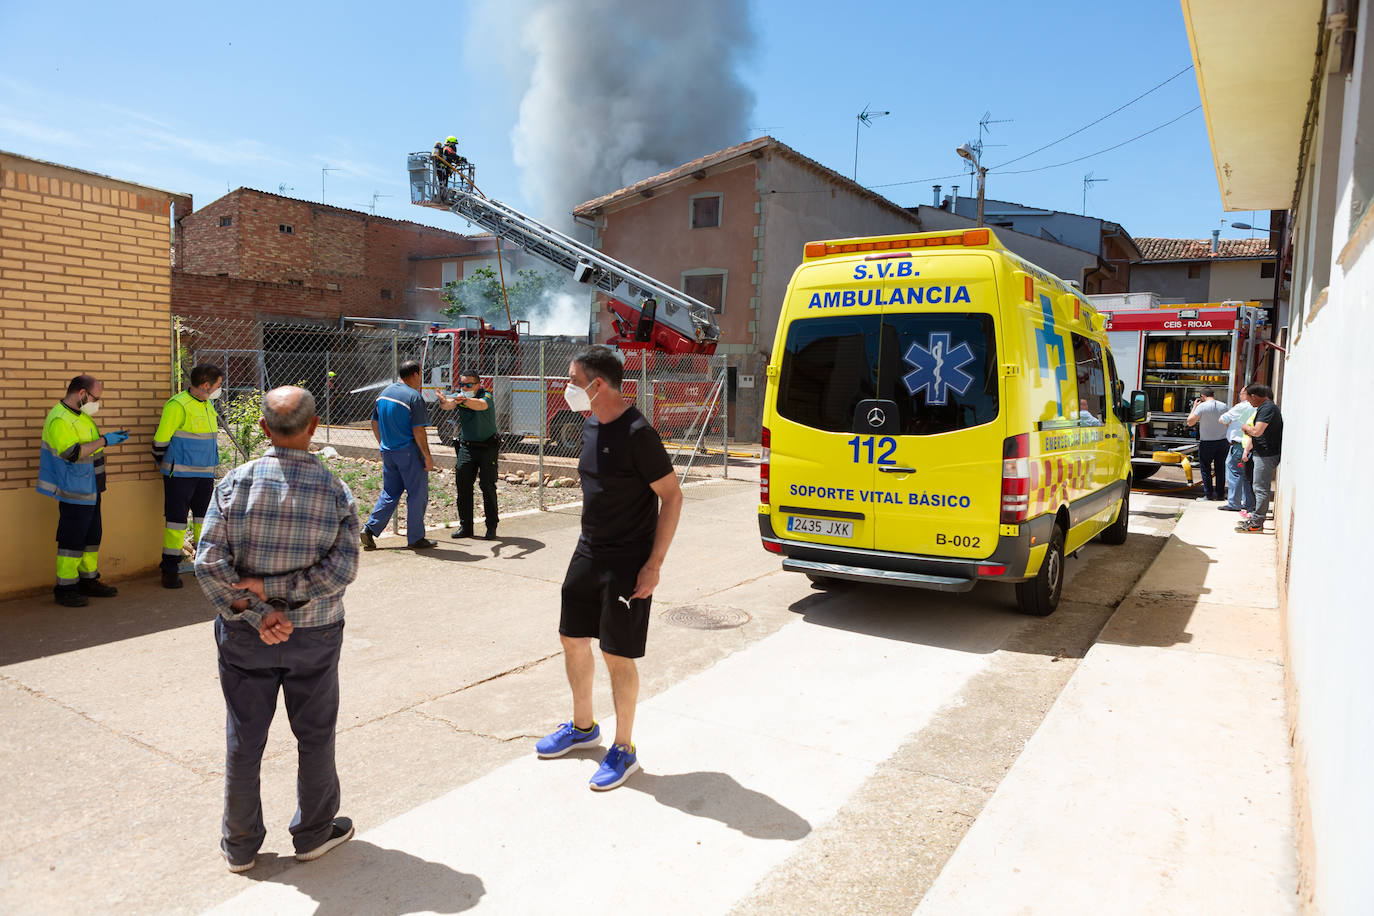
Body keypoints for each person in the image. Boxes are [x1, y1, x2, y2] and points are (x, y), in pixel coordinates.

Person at [194, 386, 362, 873]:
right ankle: (313, 833)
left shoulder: (234, 484)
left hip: (246, 637)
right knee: (315, 735)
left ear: (264, 430)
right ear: (313, 428)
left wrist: (258, 607)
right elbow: (341, 571)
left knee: (244, 738)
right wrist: (281, 595)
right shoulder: (336, 491)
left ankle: (240, 844)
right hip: (316, 634)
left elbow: (209, 564)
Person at [535, 346, 683, 791]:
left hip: (628, 559)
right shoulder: (590, 424)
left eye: (573, 378)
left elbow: (672, 497)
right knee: (572, 638)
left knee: (616, 652)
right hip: (588, 550)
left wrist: (653, 566)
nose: (568, 387)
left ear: (597, 385)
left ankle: (624, 748)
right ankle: (584, 729)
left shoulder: (639, 433)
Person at [37, 374, 130, 607]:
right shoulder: (60, 419)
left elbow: (89, 443)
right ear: (81, 394)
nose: (96, 403)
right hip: (74, 489)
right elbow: (72, 453)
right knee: (72, 540)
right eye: (94, 398)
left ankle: (88, 580)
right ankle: (65, 588)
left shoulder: (81, 416)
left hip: (90, 487)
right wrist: (105, 441)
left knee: (91, 538)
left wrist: (105, 439)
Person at [360, 361, 454, 550]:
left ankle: (369, 529)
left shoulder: (384, 393)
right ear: (415, 374)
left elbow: (374, 422)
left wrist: (383, 445)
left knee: (389, 493)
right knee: (417, 495)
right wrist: (427, 456)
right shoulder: (413, 396)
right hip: (409, 454)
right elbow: (419, 430)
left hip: (389, 453)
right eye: (420, 374)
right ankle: (416, 538)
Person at [153, 363, 224, 589]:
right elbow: (160, 442)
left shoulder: (207, 404)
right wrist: (167, 465)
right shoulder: (177, 405)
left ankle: (202, 564)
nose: (219, 390)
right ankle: (170, 569)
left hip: (204, 475)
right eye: (218, 386)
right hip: (180, 476)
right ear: (205, 385)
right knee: (176, 523)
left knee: (204, 520)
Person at [449, 370, 500, 540]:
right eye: (462, 385)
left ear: (478, 384)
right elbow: (448, 404)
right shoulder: (460, 396)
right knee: (463, 486)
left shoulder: (486, 395)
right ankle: (466, 527)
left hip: (487, 447)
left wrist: (464, 399)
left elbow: (481, 405)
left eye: (468, 385)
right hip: (467, 447)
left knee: (487, 486)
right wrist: (444, 401)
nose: (464, 388)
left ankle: (491, 526)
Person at [1238, 383, 1283, 533]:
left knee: (1260, 489)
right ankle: (1255, 520)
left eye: (1248, 398)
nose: (1248, 402)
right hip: (1262, 453)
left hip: (1266, 454)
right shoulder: (1264, 408)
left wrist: (1246, 428)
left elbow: (1257, 431)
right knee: (1258, 487)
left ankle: (1256, 524)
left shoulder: (1267, 408)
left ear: (1255, 396)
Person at [1217, 388, 1256, 515]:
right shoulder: (1257, 408)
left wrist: (1230, 424)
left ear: (1245, 395)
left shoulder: (1241, 407)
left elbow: (1223, 419)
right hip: (1250, 444)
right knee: (1246, 475)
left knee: (1234, 473)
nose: (1240, 396)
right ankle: (1246, 502)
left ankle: (1234, 503)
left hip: (1238, 445)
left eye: (1241, 394)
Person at [1186, 387, 1230, 501]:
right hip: (1222, 442)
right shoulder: (1223, 406)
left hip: (1207, 442)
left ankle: (1208, 495)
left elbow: (1190, 422)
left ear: (1202, 397)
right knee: (1220, 469)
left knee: (1206, 469)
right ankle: (1220, 494)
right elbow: (1229, 423)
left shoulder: (1202, 406)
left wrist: (1194, 406)